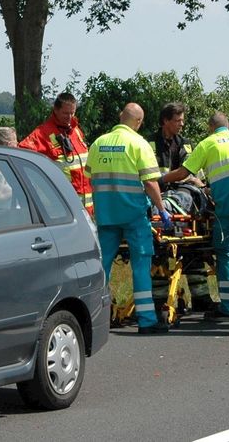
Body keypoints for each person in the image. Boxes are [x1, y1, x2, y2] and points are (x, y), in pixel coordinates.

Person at [87, 103, 173, 335]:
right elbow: (151, 182)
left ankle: (96, 319)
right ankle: (146, 321)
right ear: (139, 122)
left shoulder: (98, 143)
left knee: (102, 266)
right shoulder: (139, 144)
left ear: (120, 116)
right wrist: (162, 209)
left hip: (105, 216)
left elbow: (88, 177)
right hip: (134, 216)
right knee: (140, 267)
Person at [161, 112, 229, 321]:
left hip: (225, 206)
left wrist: (159, 179)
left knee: (226, 252)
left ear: (211, 128)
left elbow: (184, 173)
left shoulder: (208, 144)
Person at [18, 93, 93, 214]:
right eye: (65, 113)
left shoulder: (76, 131)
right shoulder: (42, 133)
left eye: (72, 113)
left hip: (86, 210)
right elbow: (20, 154)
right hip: (65, 208)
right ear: (56, 110)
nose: (69, 117)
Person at [155, 102, 196, 185]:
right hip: (158, 192)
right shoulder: (149, 143)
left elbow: (198, 176)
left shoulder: (187, 144)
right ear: (166, 120)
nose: (182, 124)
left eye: (182, 120)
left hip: (183, 194)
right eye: (178, 121)